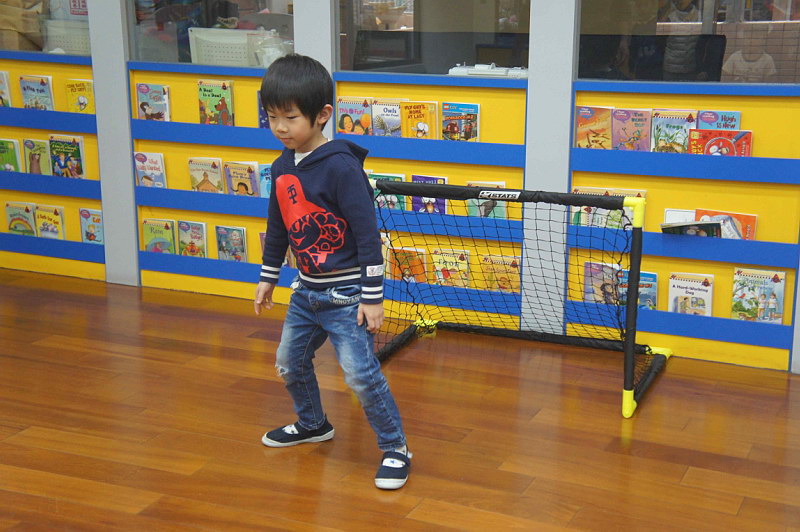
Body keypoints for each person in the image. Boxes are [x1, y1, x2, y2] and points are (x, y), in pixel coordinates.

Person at [253, 54, 411, 490]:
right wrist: (268, 277)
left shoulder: (342, 167)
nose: (280, 127)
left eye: (290, 118)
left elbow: (367, 236)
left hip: (347, 296)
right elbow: (278, 226)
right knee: (289, 363)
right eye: (272, 117)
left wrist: (373, 297)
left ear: (322, 114)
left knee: (360, 375)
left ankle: (396, 448)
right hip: (306, 293)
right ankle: (313, 424)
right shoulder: (282, 166)